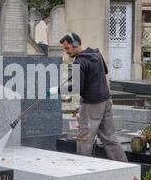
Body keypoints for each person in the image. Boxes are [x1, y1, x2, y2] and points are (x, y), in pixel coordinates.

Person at [48, 33, 128, 162]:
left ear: (75, 44)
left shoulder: (79, 62)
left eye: (67, 48)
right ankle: (124, 166)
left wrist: (55, 90)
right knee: (110, 137)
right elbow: (105, 74)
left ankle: (83, 169)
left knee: (84, 138)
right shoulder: (96, 54)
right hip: (106, 101)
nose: (66, 52)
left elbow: (76, 88)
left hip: (91, 105)